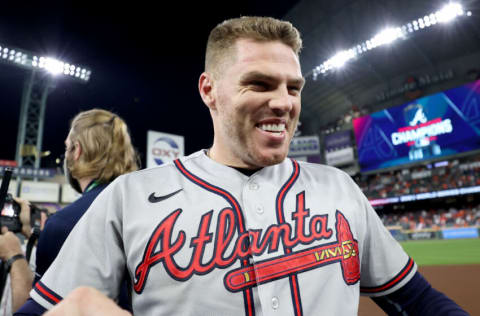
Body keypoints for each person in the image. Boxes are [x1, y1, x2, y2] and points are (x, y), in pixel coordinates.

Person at [16, 17, 468, 315]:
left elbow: (416, 300)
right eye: (260, 83)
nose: (284, 102)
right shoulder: (129, 197)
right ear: (209, 90)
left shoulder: (339, 188)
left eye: (294, 87)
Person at [13, 109, 138, 314]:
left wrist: (14, 255)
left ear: (77, 150)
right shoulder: (144, 205)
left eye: (67, 148)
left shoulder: (64, 222)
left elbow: (40, 309)